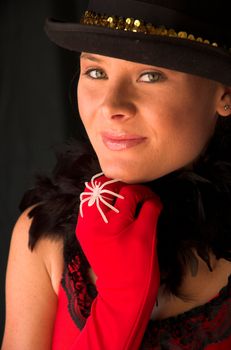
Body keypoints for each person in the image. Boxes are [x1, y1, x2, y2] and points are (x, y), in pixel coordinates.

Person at [2, 0, 231, 349]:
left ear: (225, 94)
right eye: (96, 72)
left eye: (150, 75)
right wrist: (122, 301)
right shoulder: (42, 238)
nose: (111, 105)